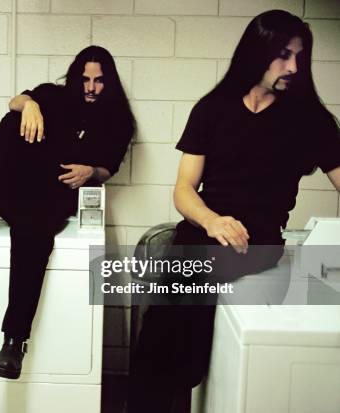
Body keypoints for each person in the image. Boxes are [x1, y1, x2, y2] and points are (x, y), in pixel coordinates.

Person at [129, 10, 340, 413]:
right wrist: (212, 219)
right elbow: (184, 190)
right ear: (256, 52)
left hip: (255, 242)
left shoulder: (309, 120)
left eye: (300, 56)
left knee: (169, 322)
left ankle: (172, 383)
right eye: (283, 55)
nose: (294, 66)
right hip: (202, 234)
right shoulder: (213, 108)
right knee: (164, 315)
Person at [0, 46, 136, 379]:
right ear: (75, 78)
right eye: (85, 80)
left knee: (32, 238)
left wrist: (90, 172)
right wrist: (31, 105)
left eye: (98, 81)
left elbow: (109, 168)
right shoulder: (53, 95)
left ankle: (13, 342)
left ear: (109, 82)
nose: (90, 88)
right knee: (12, 120)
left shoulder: (119, 120)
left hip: (54, 196)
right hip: (14, 184)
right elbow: (14, 102)